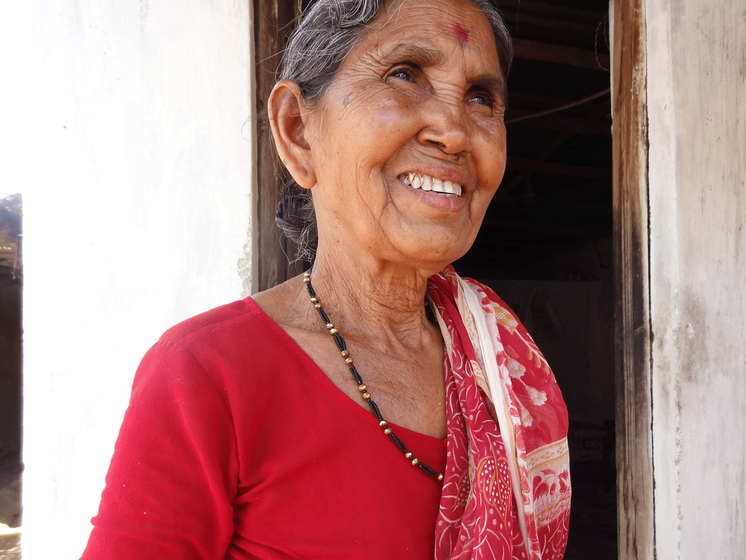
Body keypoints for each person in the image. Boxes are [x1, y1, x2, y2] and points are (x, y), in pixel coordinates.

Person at [80, 0, 570, 558]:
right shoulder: (206, 376)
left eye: (480, 96)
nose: (454, 132)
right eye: (405, 74)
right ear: (299, 132)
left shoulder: (503, 369)